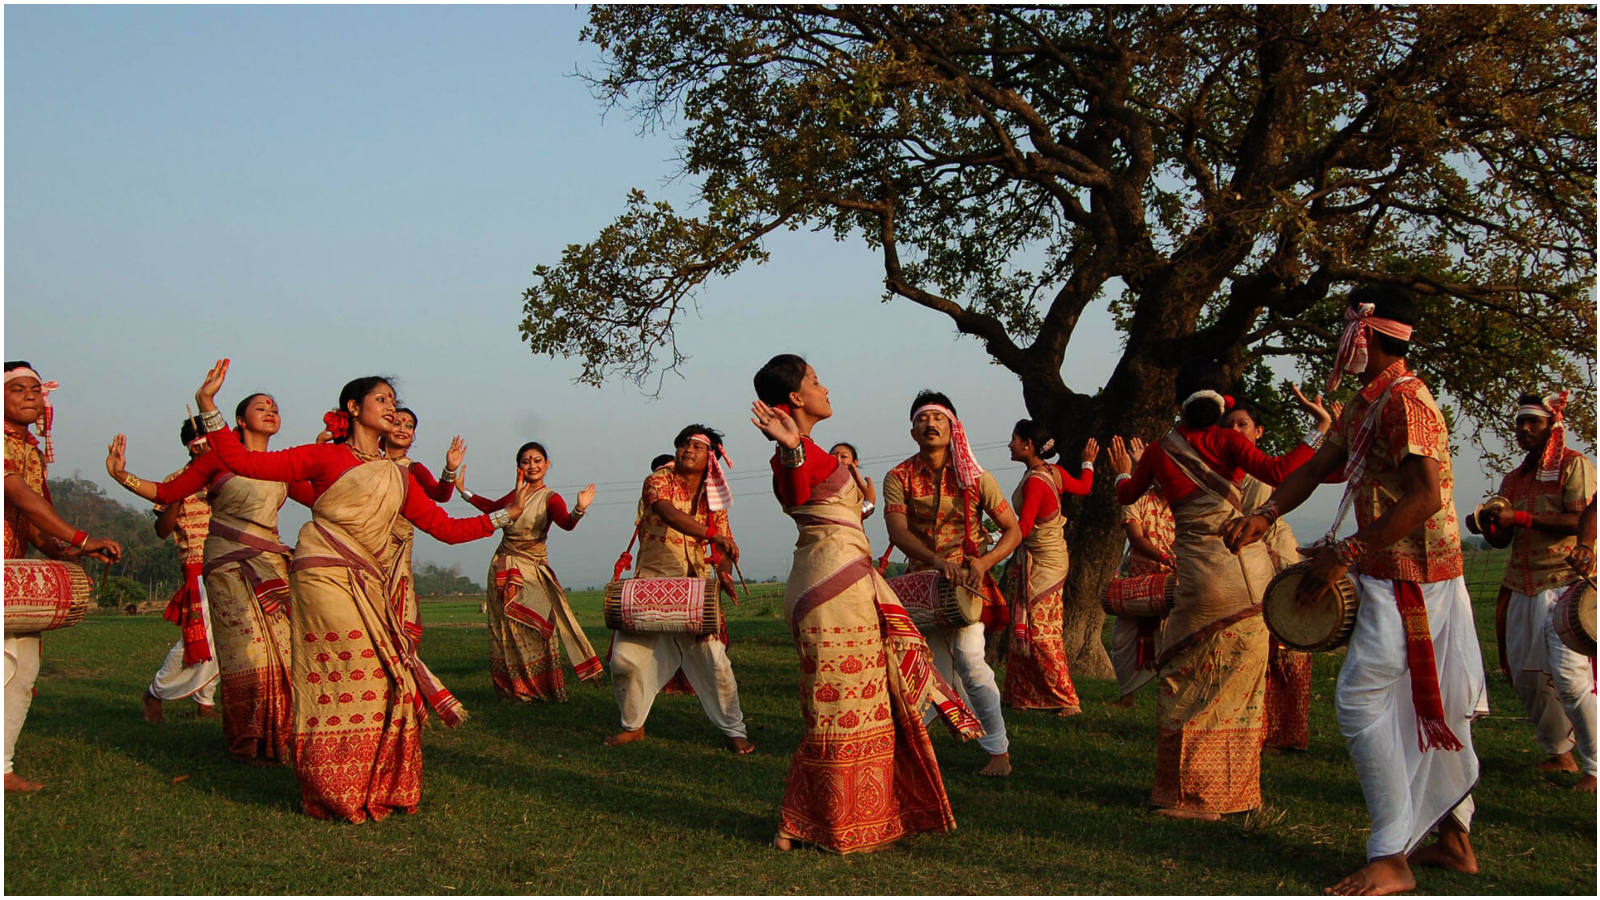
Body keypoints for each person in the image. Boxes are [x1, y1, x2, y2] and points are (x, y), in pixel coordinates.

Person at [1223, 285, 1486, 895]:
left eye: (1346, 334)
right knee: (1423, 709)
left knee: (1365, 702)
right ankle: (1452, 840)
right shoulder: (1368, 403)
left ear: (1366, 336)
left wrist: (1343, 555)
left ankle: (1391, 855)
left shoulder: (1405, 403)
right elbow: (1315, 469)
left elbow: (1425, 498)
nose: (1340, 346)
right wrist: (1265, 516)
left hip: (1412, 580)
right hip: (1392, 572)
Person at [188, 359, 531, 822]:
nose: (391, 408)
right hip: (322, 573)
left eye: (394, 401)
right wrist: (209, 406)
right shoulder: (324, 456)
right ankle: (331, 786)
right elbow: (245, 461)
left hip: (367, 579)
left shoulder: (398, 476)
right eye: (382, 400)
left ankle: (367, 781)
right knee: (347, 675)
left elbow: (446, 529)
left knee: (388, 679)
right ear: (353, 407)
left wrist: (505, 515)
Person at [752, 354, 979, 852]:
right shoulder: (794, 454)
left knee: (860, 702)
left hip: (849, 584)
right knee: (835, 706)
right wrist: (790, 450)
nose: (823, 386)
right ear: (795, 397)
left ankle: (811, 819)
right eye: (814, 380)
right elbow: (792, 492)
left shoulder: (816, 451)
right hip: (828, 590)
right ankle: (829, 820)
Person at [1109, 360, 1320, 822]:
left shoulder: (1162, 450)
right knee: (1237, 689)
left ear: (1175, 401)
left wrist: (1122, 472)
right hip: (1249, 576)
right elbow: (1283, 470)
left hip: (1199, 579)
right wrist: (1319, 430)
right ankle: (1229, 794)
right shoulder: (1230, 441)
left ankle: (1187, 796)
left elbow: (1128, 496)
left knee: (1182, 679)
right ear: (1223, 402)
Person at [109, 392, 310, 765]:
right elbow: (166, 500)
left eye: (275, 408)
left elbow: (321, 497)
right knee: (240, 648)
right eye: (260, 407)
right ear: (239, 420)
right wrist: (122, 475)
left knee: (281, 648)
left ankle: (280, 732)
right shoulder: (212, 462)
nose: (270, 412)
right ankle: (248, 737)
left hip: (270, 563)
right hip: (220, 564)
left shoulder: (283, 464)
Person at [883, 390, 1021, 776]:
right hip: (922, 587)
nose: (930, 425)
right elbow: (896, 530)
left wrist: (985, 561)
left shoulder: (977, 477)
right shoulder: (898, 476)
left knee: (971, 663)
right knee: (927, 672)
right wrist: (936, 562)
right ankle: (915, 751)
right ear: (913, 431)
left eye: (938, 418)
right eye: (922, 420)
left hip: (967, 587)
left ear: (953, 427)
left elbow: (1013, 530)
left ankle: (999, 753)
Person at [5, 361, 122, 792]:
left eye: (36, 389)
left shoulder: (31, 453)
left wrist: (69, 551)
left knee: (22, 671)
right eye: (18, 388)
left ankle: (2, 767)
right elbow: (17, 495)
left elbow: (33, 523)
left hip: (13, 576)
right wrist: (83, 536)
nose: (31, 395)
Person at [606, 424, 752, 753]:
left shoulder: (716, 501)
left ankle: (734, 729)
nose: (687, 449)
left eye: (696, 446)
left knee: (715, 662)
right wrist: (713, 536)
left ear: (711, 457)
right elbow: (667, 512)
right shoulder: (658, 481)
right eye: (683, 444)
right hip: (651, 583)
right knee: (624, 661)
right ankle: (633, 726)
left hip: (695, 590)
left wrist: (725, 573)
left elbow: (724, 548)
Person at [1477, 392, 1595, 791]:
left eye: (1534, 422)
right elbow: (1505, 538)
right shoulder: (1514, 479)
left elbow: (1580, 518)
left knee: (1569, 676)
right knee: (1526, 678)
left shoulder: (1573, 465)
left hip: (1565, 581)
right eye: (1520, 423)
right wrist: (1490, 524)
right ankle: (1559, 754)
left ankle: (1596, 768)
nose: (1524, 430)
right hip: (1521, 583)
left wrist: (1521, 517)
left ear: (1552, 426)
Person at [1220, 394, 1337, 752]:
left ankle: (1288, 733)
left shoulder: (1262, 470)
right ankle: (1265, 731)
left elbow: (1295, 473)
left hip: (1276, 560)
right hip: (1245, 564)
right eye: (1229, 426)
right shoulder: (1225, 469)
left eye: (1243, 425)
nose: (1236, 431)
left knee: (1288, 649)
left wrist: (1322, 428)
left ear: (1259, 431)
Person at [461, 441, 603, 701]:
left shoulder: (551, 498)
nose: (532, 466)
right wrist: (464, 492)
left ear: (547, 465)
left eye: (537, 460)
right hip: (504, 565)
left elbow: (566, 523)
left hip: (532, 568)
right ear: (519, 467)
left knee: (537, 626)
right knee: (505, 627)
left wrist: (579, 509)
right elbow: (492, 509)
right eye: (526, 461)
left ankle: (542, 686)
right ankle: (513, 689)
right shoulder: (515, 496)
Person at [1001, 418, 1095, 714]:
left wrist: (992, 541)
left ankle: (1066, 698)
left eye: (1014, 439)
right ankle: (1022, 694)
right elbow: (1084, 487)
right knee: (1029, 624)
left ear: (1028, 445)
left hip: (1044, 562)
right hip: (1051, 558)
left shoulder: (1035, 481)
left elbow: (1024, 528)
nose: (1010, 444)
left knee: (1039, 630)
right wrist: (1088, 463)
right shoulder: (1052, 473)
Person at [140, 420, 220, 723]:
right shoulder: (176, 480)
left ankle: (205, 700)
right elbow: (162, 530)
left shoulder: (227, 477)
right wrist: (178, 493)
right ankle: (156, 692)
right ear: (196, 445)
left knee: (227, 634)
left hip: (230, 560)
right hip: (197, 563)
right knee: (197, 636)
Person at [1110, 438, 1176, 707]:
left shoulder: (1185, 503)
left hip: (1175, 581)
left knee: (1173, 639)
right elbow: (1136, 539)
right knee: (1122, 639)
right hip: (1139, 581)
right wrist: (1163, 557)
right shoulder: (1136, 498)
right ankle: (1127, 696)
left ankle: (1170, 695)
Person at [829, 442, 877, 519]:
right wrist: (869, 502)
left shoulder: (856, 489)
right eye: (834, 456)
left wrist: (868, 503)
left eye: (844, 456)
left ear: (855, 462)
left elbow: (855, 516)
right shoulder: (822, 484)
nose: (838, 459)